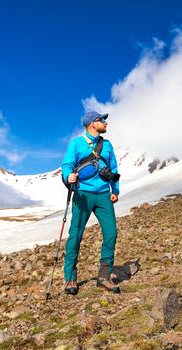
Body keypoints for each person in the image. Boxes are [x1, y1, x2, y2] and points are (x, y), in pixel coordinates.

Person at [61, 110, 121, 294]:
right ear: (92, 123)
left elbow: (113, 168)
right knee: (76, 235)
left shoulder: (108, 145)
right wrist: (67, 177)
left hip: (103, 194)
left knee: (111, 232)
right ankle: (70, 278)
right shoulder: (76, 144)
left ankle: (104, 277)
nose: (106, 122)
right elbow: (67, 165)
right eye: (102, 120)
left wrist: (115, 190)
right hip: (82, 194)